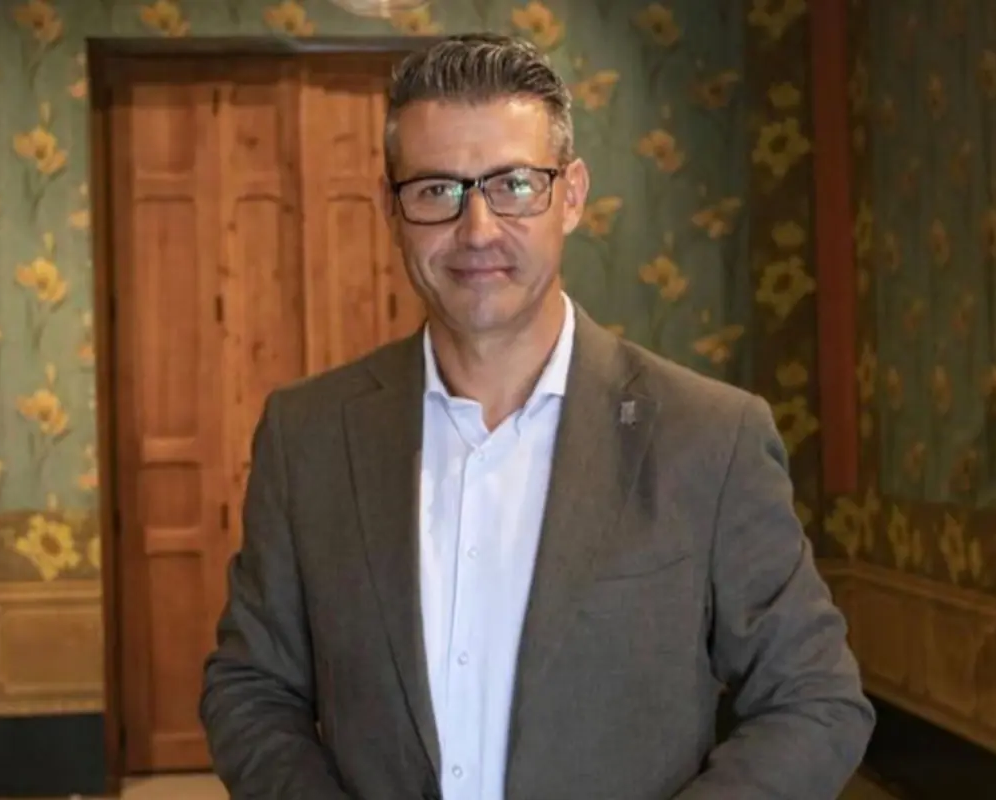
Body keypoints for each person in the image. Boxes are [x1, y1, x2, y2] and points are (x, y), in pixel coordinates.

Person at [200, 32, 874, 800]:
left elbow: (815, 699)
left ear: (573, 194)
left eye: (514, 184)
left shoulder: (709, 439)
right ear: (390, 210)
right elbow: (250, 688)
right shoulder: (308, 436)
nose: (477, 230)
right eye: (437, 190)